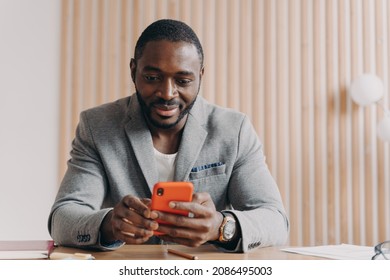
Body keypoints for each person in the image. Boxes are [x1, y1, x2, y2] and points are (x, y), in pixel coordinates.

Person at [48, 19, 289, 253]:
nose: (167, 93)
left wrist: (221, 226)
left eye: (183, 81)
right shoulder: (97, 126)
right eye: (152, 78)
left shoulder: (234, 130)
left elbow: (275, 221)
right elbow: (63, 218)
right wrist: (110, 224)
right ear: (133, 71)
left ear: (200, 76)